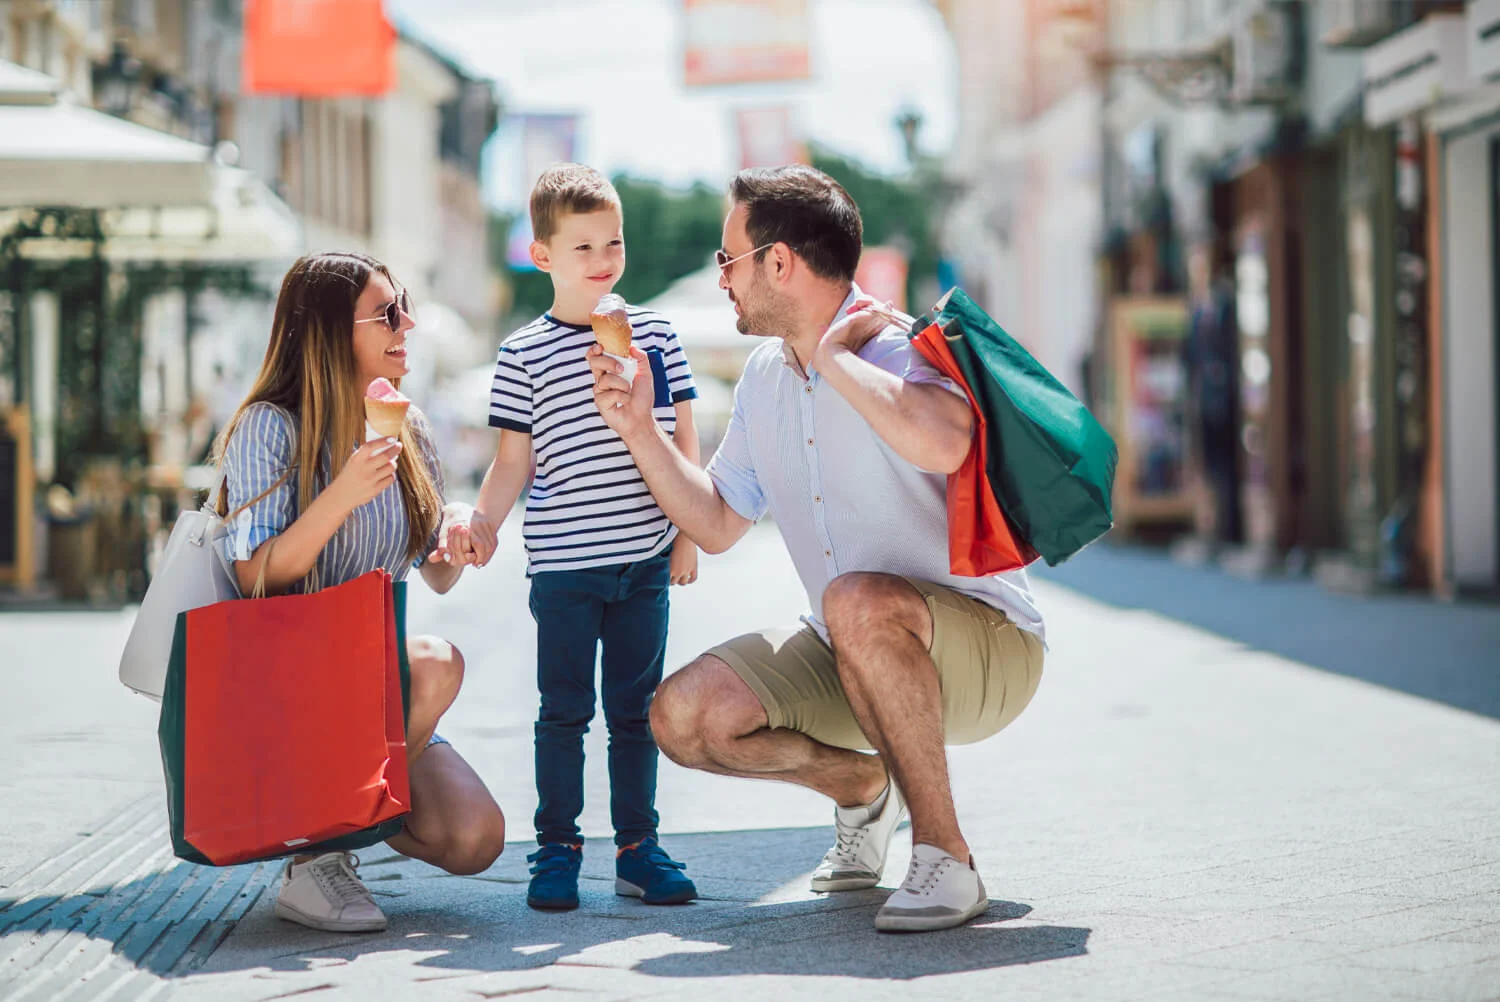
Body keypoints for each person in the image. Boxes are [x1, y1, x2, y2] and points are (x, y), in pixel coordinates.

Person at [583, 165, 1047, 933]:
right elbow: (720, 522)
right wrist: (638, 428)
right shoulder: (766, 376)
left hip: (988, 646)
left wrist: (837, 359)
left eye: (729, 259)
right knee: (684, 715)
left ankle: (946, 859)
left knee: (854, 599)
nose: (721, 276)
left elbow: (945, 442)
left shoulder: (898, 346)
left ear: (778, 262)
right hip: (853, 644)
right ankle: (863, 785)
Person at [214, 251, 506, 933]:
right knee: (434, 662)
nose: (407, 323)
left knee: (475, 838)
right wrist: (342, 493)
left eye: (404, 306)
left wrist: (459, 533)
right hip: (284, 684)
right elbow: (252, 574)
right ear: (326, 331)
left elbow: (434, 569)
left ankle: (335, 823)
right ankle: (313, 855)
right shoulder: (270, 425)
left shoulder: (409, 425)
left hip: (366, 693)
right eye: (386, 313)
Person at [463, 164, 701, 912]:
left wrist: (688, 532)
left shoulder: (658, 333)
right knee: (563, 712)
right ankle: (557, 848)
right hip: (564, 565)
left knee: (636, 713)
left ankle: (638, 847)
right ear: (542, 257)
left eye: (614, 242)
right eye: (583, 247)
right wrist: (482, 523)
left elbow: (683, 435)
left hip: (643, 558)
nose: (604, 260)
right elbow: (513, 461)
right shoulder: (523, 353)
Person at [1182, 243, 1243, 547]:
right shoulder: (1193, 308)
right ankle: (1213, 529)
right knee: (1209, 466)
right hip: (1203, 399)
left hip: (1227, 398)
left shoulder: (1224, 302)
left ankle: (1231, 529)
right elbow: (1189, 356)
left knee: (1227, 464)